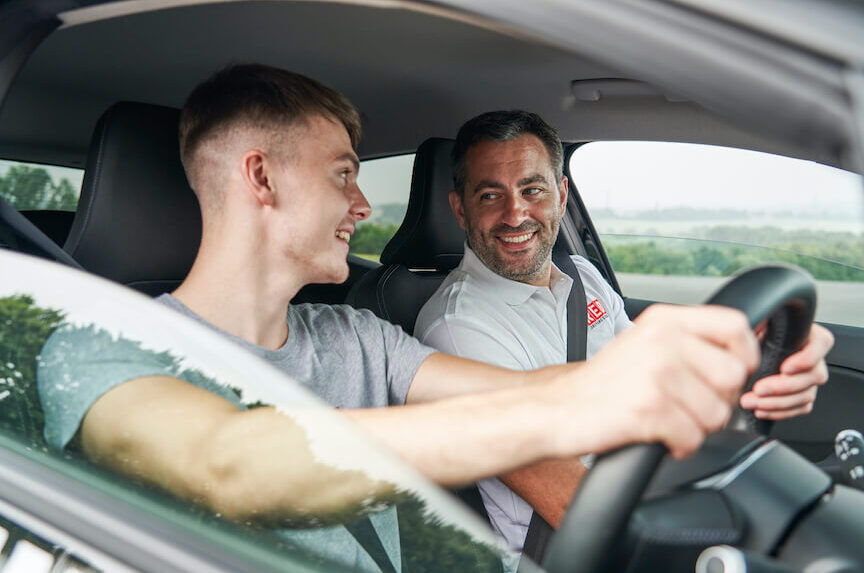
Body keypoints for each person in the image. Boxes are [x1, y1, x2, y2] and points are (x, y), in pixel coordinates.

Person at [37, 66, 821, 571]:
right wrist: (598, 396)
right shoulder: (98, 348)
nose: (362, 205)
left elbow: (521, 392)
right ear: (260, 178)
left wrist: (722, 363)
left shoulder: (354, 338)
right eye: (344, 174)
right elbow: (232, 459)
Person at [414, 109, 834, 551]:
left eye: (532, 189)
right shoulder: (456, 328)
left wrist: (764, 362)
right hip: (571, 547)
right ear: (460, 210)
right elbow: (574, 505)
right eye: (489, 196)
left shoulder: (580, 274)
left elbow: (656, 385)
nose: (515, 214)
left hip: (645, 488)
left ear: (560, 195)